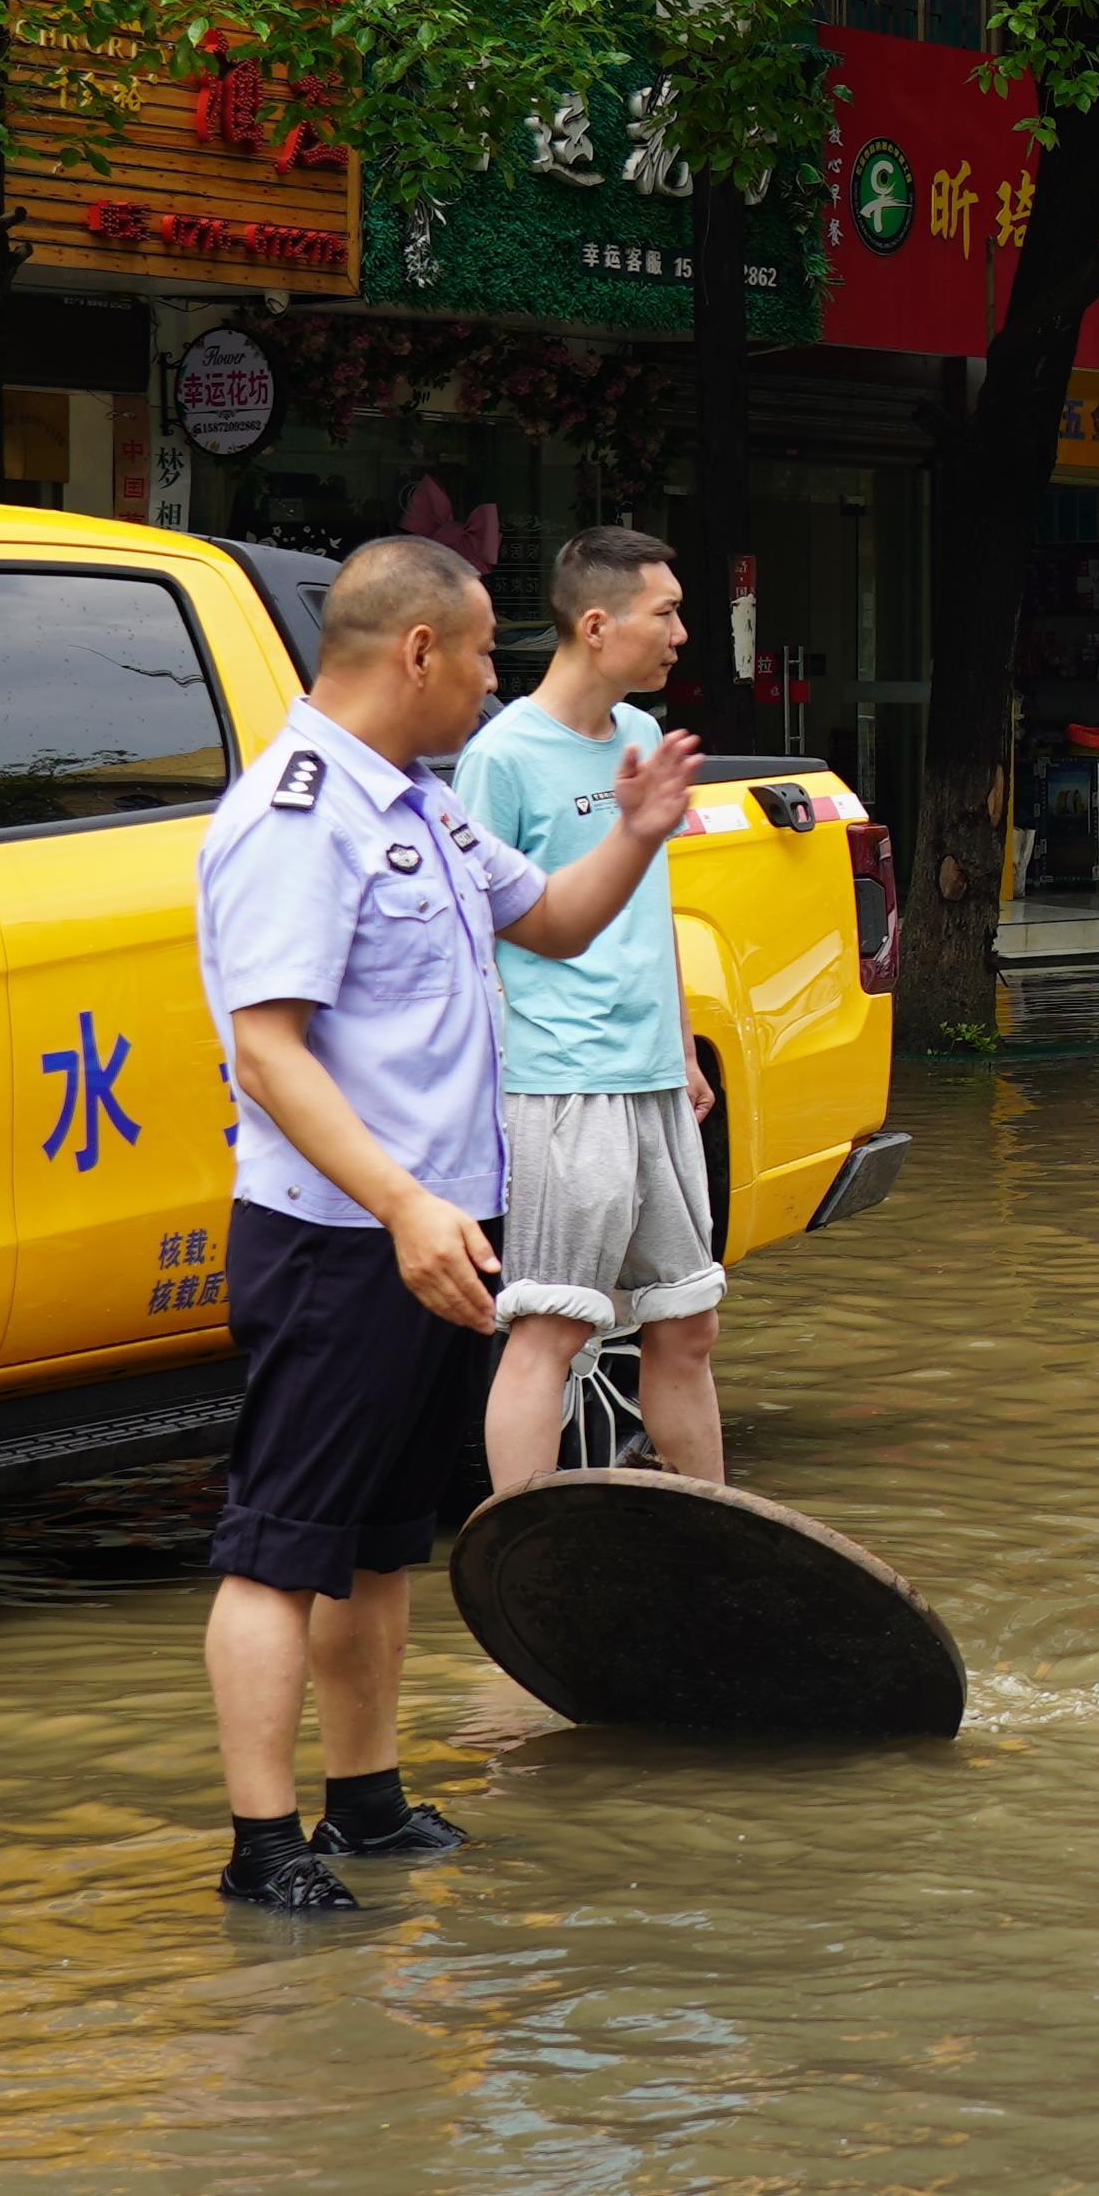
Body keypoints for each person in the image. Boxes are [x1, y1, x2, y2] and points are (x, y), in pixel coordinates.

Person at [194, 537, 699, 1911]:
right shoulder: (299, 814)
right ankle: (261, 1844)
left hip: (438, 1233)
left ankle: (365, 1802)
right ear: (417, 651)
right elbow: (269, 1052)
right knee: (280, 1545)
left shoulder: (416, 804)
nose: (491, 682)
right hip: (342, 1235)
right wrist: (404, 1201)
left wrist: (639, 830)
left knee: (376, 1541)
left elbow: (555, 924)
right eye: (478, 655)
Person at [460, 527, 732, 1495]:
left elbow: (647, 903)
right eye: (665, 613)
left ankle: (710, 1534)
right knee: (553, 1325)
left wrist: (685, 1041)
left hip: (653, 1072)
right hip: (561, 1083)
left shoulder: (643, 738)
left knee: (688, 1319)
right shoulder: (499, 758)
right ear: (595, 623)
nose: (681, 634)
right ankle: (524, 1574)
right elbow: (473, 938)